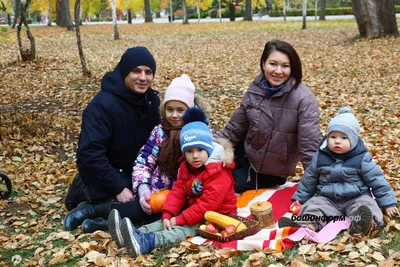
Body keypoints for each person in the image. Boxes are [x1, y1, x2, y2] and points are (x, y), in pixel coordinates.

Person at [64, 74, 211, 233]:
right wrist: (143, 187)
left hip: (182, 195)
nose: (174, 115)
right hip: (155, 190)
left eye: (181, 110)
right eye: (170, 109)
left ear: (190, 111)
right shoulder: (159, 133)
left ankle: (103, 223)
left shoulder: (198, 134)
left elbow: (208, 162)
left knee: (161, 219)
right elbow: (144, 161)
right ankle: (92, 209)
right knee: (137, 209)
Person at [107, 107, 237, 257]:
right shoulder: (186, 167)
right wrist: (168, 214)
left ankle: (149, 242)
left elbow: (208, 205)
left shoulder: (218, 172)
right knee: (164, 222)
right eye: (189, 151)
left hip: (217, 217)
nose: (195, 156)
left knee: (183, 229)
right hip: (195, 210)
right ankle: (134, 233)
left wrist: (179, 219)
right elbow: (178, 191)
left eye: (200, 150)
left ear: (208, 149)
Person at [63, 46, 161, 231]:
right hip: (106, 173)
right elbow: (89, 154)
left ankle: (100, 221)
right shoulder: (102, 105)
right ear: (125, 72)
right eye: (136, 71)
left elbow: (157, 143)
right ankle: (87, 202)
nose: (143, 77)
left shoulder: (151, 102)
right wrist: (117, 188)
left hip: (136, 171)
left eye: (148, 72)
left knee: (160, 204)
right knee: (139, 207)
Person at [215, 39, 320, 193]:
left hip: (269, 172)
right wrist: (205, 144)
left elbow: (309, 147)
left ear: (293, 68)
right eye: (273, 64)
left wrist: (317, 184)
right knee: (204, 168)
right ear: (264, 63)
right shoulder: (257, 88)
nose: (278, 71)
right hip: (245, 155)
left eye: (285, 66)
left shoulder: (304, 99)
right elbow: (235, 129)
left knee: (219, 184)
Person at [279, 107, 399, 236]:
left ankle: (366, 223)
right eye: (333, 136)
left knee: (367, 205)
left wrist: (388, 203)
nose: (337, 141)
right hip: (327, 198)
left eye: (343, 138)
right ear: (327, 137)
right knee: (314, 206)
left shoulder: (361, 159)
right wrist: (300, 198)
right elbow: (310, 178)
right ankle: (308, 223)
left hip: (355, 196)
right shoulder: (320, 157)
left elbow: (377, 181)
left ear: (353, 140)